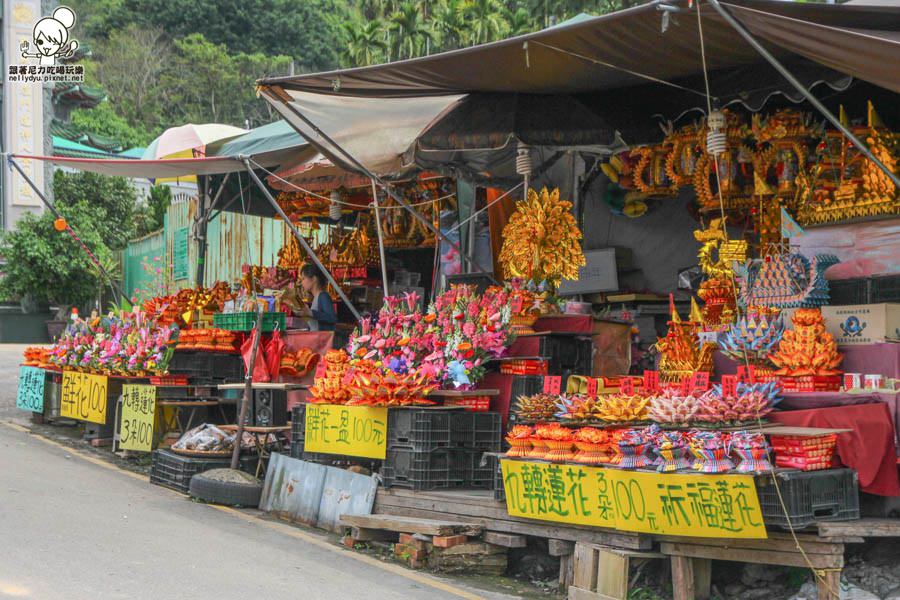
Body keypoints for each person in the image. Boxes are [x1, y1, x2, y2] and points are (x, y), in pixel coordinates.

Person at [297, 264, 337, 331]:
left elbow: (332, 318)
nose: (302, 283)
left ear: (314, 279)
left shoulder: (323, 296)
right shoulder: (316, 297)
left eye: (303, 278)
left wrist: (310, 312)